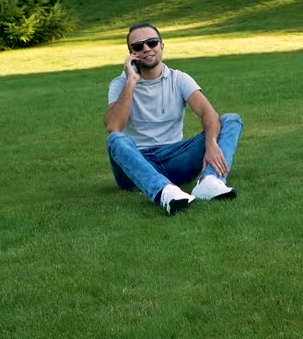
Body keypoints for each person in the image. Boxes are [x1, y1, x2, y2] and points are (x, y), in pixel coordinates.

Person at [104, 23, 243, 215]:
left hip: (175, 157)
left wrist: (211, 144)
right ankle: (165, 192)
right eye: (138, 46)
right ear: (131, 54)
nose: (146, 48)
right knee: (115, 140)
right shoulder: (120, 84)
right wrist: (131, 82)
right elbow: (114, 126)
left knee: (231, 120)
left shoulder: (179, 79)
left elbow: (208, 113)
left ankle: (210, 181)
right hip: (136, 163)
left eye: (152, 42)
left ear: (161, 45)